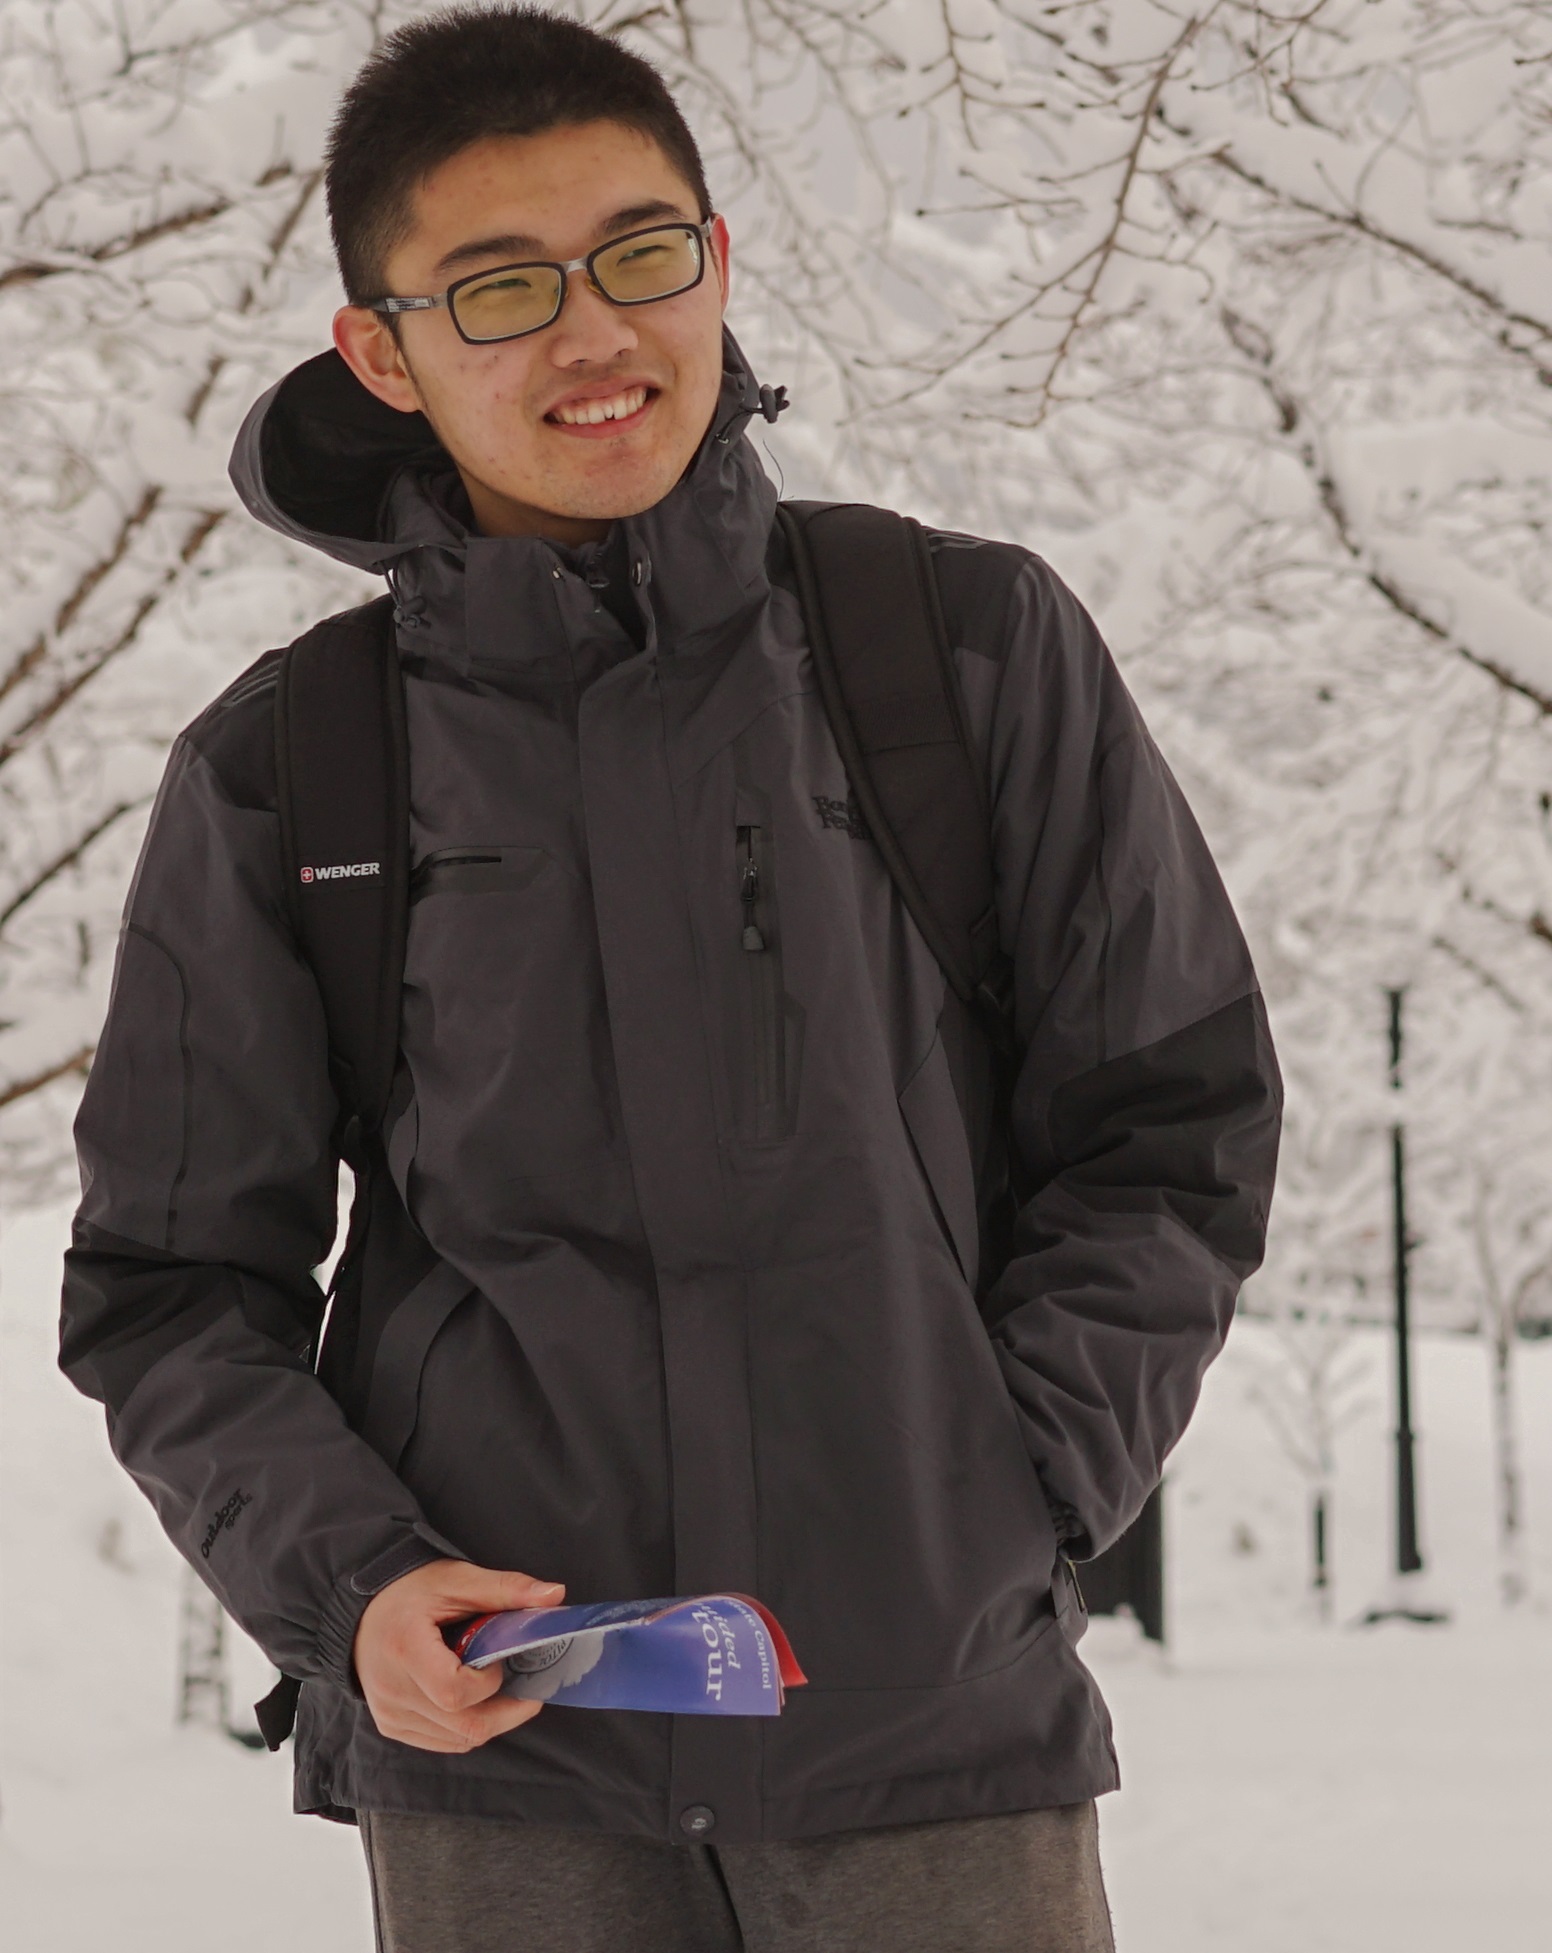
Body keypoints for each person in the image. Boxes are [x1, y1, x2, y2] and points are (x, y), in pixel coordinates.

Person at [59, 7, 1282, 1949]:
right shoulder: (291, 768)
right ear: (380, 350)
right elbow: (171, 1283)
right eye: (498, 287)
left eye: (639, 253)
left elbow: (1169, 1121)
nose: (592, 332)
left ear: (714, 259)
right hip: (512, 1777)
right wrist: (353, 1587)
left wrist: (1010, 1494)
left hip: (930, 1743)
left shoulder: (956, 651)